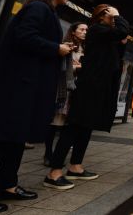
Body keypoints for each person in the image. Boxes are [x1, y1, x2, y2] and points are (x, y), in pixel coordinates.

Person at [0, 0, 72, 212]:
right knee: (6, 137)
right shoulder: (38, 8)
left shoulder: (48, 11)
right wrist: (56, 48)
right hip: (18, 85)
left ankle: (8, 184)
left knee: (16, 138)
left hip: (27, 85)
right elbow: (25, 38)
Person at [44, 4, 129, 190]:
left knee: (86, 127)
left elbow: (116, 57)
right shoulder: (97, 30)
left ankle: (75, 166)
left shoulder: (106, 35)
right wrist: (118, 15)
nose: (114, 17)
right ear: (102, 15)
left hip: (99, 87)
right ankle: (54, 172)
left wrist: (121, 42)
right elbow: (122, 31)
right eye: (111, 13)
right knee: (74, 126)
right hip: (89, 86)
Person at [44, 22, 88, 167]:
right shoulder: (66, 45)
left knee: (67, 124)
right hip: (63, 88)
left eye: (86, 30)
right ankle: (48, 154)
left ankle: (57, 154)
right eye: (81, 29)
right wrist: (76, 67)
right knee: (55, 121)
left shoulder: (87, 48)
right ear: (73, 31)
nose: (84, 32)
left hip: (77, 89)